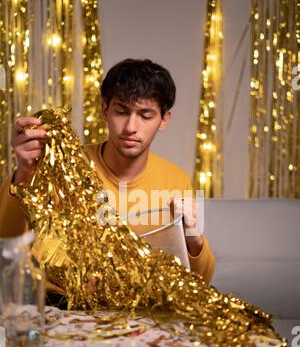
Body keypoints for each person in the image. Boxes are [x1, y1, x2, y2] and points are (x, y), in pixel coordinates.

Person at [0, 58, 215, 293]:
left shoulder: (177, 179)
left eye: (145, 115)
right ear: (105, 109)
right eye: (122, 111)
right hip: (62, 305)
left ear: (164, 120)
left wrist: (194, 239)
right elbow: (6, 242)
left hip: (139, 310)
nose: (131, 127)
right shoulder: (63, 166)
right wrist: (24, 173)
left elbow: (200, 284)